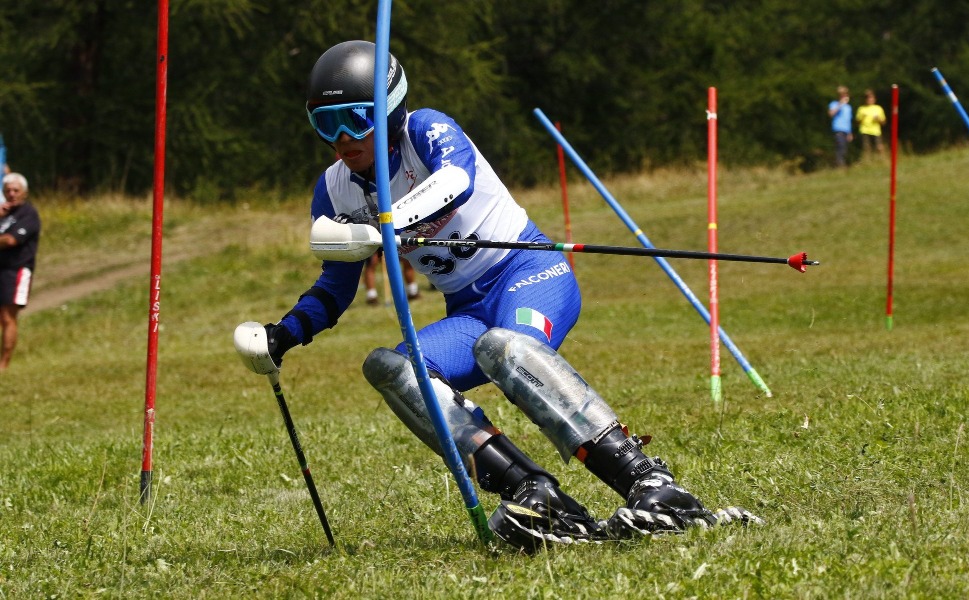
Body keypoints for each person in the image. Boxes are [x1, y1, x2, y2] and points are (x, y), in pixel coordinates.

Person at [237, 40, 759, 551]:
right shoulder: (334, 189)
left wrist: (389, 227)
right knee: (393, 368)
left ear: (390, 108)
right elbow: (335, 285)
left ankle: (655, 487)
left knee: (505, 348)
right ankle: (535, 496)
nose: (342, 139)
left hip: (529, 272)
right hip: (466, 310)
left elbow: (455, 180)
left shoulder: (426, 128)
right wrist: (285, 334)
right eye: (325, 124)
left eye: (355, 119)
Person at [0, 173, 41, 371]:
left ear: (24, 192)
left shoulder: (28, 214)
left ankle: (4, 364)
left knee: (8, 317)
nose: (12, 194)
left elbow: (11, 240)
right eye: (8, 190)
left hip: (16, 270)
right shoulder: (2, 213)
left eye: (16, 190)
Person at [856, 89, 887, 157]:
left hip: (876, 131)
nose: (869, 99)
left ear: (874, 99)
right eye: (868, 98)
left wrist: (878, 119)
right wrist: (862, 118)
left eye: (871, 98)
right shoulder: (861, 109)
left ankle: (881, 159)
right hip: (865, 131)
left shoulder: (878, 108)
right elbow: (857, 122)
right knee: (866, 148)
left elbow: (883, 122)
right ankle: (868, 161)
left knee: (879, 147)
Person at [828, 86, 854, 167]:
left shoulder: (848, 107)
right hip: (838, 129)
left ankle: (840, 165)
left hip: (846, 131)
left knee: (844, 149)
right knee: (840, 147)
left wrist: (850, 133)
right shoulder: (834, 104)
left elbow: (848, 120)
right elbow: (831, 114)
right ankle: (840, 166)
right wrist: (840, 104)